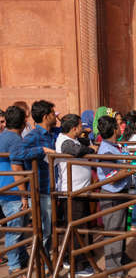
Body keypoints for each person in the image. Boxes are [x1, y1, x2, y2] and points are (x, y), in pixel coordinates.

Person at [12, 100, 58, 258]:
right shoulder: (33, 136)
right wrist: (42, 150)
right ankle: (42, 266)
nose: (55, 116)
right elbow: (17, 154)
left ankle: (47, 263)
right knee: (44, 231)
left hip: (52, 187)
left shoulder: (53, 132)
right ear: (46, 116)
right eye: (53, 113)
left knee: (50, 229)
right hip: (41, 190)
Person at [55, 114, 96, 276]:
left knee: (75, 227)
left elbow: (82, 143)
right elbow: (77, 150)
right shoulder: (65, 142)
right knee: (77, 229)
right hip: (72, 192)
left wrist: (86, 140)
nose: (83, 128)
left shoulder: (72, 139)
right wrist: (91, 149)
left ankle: (68, 258)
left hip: (79, 190)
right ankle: (78, 266)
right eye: (80, 126)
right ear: (73, 129)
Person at [96, 116, 134, 278]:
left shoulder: (112, 146)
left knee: (119, 229)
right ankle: (113, 270)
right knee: (113, 231)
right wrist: (132, 169)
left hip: (119, 191)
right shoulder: (106, 150)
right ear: (113, 130)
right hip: (112, 194)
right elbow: (113, 175)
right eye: (118, 126)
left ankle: (119, 260)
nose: (121, 129)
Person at [0, 106, 30, 277]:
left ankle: (22, 257)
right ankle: (15, 265)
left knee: (17, 227)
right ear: (23, 122)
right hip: (13, 192)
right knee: (15, 229)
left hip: (6, 189)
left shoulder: (3, 137)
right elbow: (17, 167)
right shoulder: (15, 140)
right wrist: (23, 194)